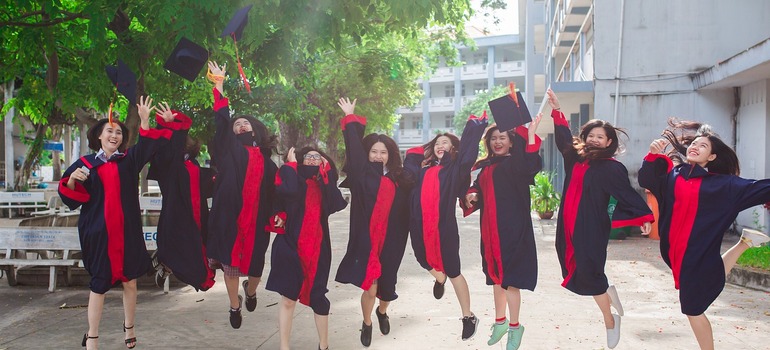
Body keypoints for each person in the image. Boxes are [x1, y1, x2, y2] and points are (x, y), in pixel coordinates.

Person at [639, 120, 770, 350]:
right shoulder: (673, 175)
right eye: (695, 143)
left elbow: (757, 188)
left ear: (711, 158)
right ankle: (744, 243)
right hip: (674, 253)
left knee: (693, 309)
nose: (696, 147)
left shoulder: (722, 185)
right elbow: (646, 180)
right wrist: (651, 156)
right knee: (710, 279)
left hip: (697, 254)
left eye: (704, 146)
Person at [58, 96, 173, 349]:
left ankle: (129, 326)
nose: (114, 135)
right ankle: (92, 334)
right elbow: (71, 199)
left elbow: (146, 148)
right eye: (109, 130)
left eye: (119, 132)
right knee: (99, 284)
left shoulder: (128, 161)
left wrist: (144, 121)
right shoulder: (85, 165)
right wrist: (71, 181)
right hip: (99, 234)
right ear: (98, 136)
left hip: (127, 232)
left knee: (130, 280)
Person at [546, 89, 653, 349]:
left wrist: (643, 215)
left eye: (600, 137)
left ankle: (610, 321)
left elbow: (625, 193)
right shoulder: (575, 158)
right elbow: (563, 140)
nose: (594, 139)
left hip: (591, 227)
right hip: (568, 226)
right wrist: (557, 111)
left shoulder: (612, 168)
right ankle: (608, 292)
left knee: (590, 274)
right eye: (591, 135)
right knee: (576, 268)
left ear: (609, 142)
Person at [334, 98, 415, 347]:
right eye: (374, 151)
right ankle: (367, 321)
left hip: (392, 239)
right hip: (367, 239)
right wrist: (350, 116)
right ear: (367, 153)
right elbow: (353, 149)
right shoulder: (361, 177)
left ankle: (382, 311)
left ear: (390, 156)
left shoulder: (401, 179)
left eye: (383, 152)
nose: (378, 156)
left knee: (387, 287)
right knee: (370, 286)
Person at [205, 61, 278, 329]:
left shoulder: (269, 164)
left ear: (255, 130)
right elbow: (222, 122)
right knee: (230, 265)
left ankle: (250, 290)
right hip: (230, 219)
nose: (240, 126)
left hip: (258, 222)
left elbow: (277, 193)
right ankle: (234, 307)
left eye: (245, 123)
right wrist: (219, 86)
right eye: (237, 125)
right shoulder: (229, 152)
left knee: (256, 268)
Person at [403, 112, 488, 341]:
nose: (441, 145)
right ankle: (438, 279)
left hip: (444, 227)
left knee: (453, 270)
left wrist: (474, 125)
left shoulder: (455, 169)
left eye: (446, 143)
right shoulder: (422, 168)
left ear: (453, 149)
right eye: (438, 142)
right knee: (422, 259)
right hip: (419, 224)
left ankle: (468, 316)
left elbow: (468, 154)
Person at [461, 115, 543, 350]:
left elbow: (530, 161)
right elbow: (476, 187)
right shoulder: (484, 166)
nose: (497, 142)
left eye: (502, 138)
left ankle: (516, 327)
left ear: (511, 142)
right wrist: (472, 194)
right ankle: (500, 322)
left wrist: (529, 133)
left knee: (511, 280)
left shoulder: (517, 164)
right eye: (494, 138)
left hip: (512, 228)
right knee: (495, 278)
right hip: (489, 230)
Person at [265, 146, 347, 350]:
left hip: (318, 248)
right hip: (290, 245)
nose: (312, 160)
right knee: (288, 298)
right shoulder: (290, 178)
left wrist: (326, 175)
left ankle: (324, 345)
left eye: (317, 157)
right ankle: (284, 347)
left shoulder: (324, 183)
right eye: (308, 157)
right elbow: (285, 194)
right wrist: (290, 165)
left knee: (318, 297)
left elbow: (337, 204)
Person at [148, 103, 216, 291]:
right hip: (177, 217)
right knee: (189, 262)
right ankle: (164, 262)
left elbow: (205, 186)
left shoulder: (193, 164)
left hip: (198, 217)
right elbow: (169, 150)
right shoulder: (166, 163)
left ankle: (164, 262)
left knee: (198, 258)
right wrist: (169, 125)